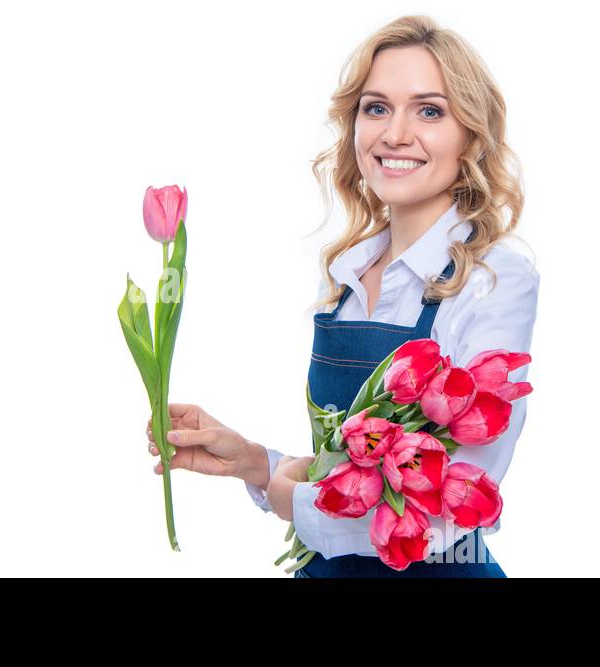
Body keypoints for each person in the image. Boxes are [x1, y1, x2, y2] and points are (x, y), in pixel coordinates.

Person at [146, 15, 538, 578]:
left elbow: (451, 511)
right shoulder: (347, 272)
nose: (395, 133)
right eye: (376, 107)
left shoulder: (494, 277)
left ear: (470, 134)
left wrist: (293, 503)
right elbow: (346, 463)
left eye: (429, 110)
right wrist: (258, 464)